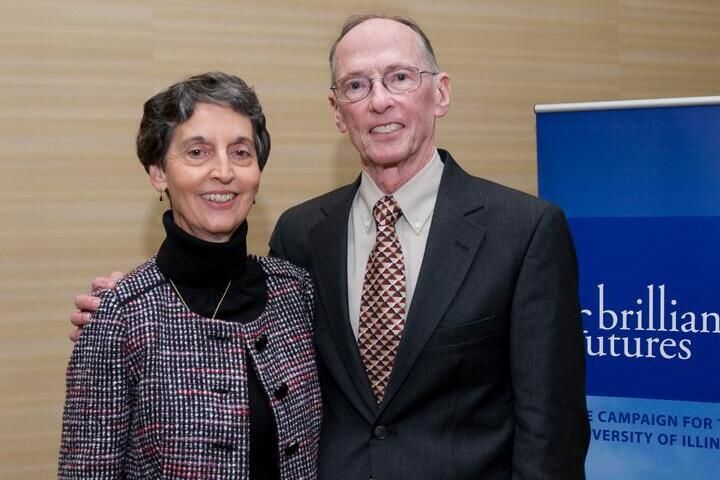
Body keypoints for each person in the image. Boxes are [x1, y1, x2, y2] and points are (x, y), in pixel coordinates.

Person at [71, 15, 590, 480]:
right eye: (356, 86)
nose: (379, 100)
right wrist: (138, 302)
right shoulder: (301, 238)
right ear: (338, 111)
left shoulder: (524, 231)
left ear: (441, 93)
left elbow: (553, 431)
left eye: (400, 77)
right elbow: (239, 324)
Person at [59, 72, 321, 479]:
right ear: (158, 173)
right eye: (197, 153)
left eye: (240, 153)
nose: (223, 172)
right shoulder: (121, 317)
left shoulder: (297, 293)